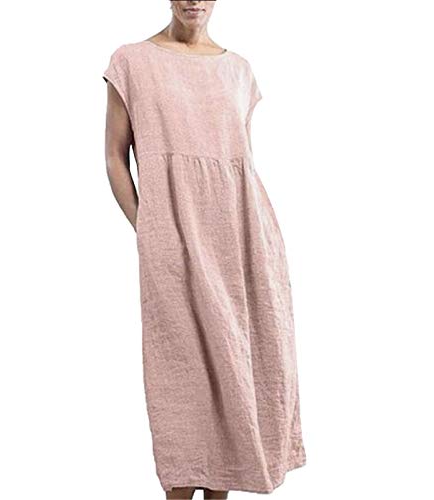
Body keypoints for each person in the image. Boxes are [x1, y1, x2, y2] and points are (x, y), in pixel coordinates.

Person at [103, 1, 307, 498]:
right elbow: (114, 157)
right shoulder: (132, 61)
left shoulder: (238, 70)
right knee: (182, 378)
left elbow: (240, 165)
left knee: (238, 372)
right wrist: (147, 226)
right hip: (173, 239)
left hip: (244, 239)